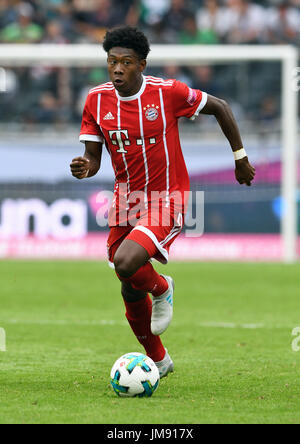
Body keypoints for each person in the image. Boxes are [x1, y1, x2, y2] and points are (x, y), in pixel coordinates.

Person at [70, 26, 255, 378]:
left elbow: (220, 107)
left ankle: (163, 287)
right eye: (112, 62)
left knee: (126, 262)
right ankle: (158, 359)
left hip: (167, 196)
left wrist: (240, 157)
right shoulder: (96, 100)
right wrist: (85, 166)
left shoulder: (167, 93)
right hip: (126, 199)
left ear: (141, 65)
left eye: (126, 62)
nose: (118, 69)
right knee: (127, 280)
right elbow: (92, 157)